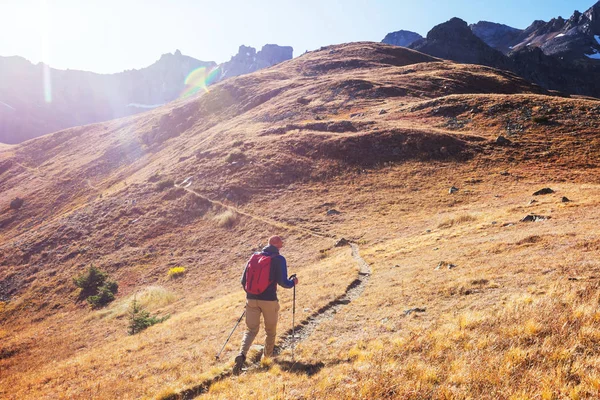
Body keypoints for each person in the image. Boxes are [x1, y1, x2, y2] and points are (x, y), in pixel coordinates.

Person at [235, 235, 298, 369]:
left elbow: (243, 281)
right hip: (269, 300)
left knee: (251, 330)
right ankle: (266, 359)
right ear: (278, 245)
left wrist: (251, 294)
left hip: (251, 299)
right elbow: (283, 282)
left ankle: (242, 354)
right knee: (270, 331)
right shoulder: (279, 259)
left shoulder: (254, 256)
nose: (282, 244)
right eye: (281, 242)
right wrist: (293, 282)